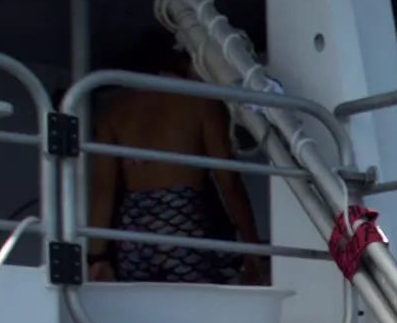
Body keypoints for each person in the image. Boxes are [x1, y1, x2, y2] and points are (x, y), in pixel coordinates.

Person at [87, 30, 266, 285]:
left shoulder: (115, 110)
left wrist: (97, 257)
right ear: (186, 61)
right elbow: (230, 184)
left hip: (134, 231)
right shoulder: (199, 102)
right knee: (193, 309)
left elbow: (104, 190)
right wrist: (252, 250)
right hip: (183, 221)